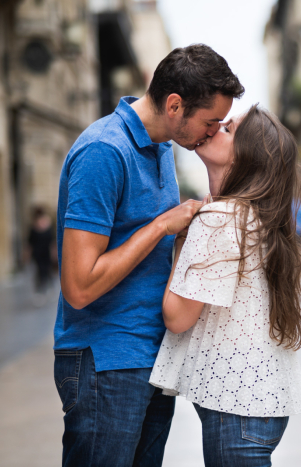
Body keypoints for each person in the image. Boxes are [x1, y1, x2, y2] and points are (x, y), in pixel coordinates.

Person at [53, 44, 244, 467]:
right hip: (107, 361)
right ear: (175, 105)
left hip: (152, 359)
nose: (212, 132)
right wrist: (160, 225)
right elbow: (78, 287)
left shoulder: (160, 148)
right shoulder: (103, 151)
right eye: (209, 122)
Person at [149, 106, 301, 466]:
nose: (217, 127)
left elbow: (177, 317)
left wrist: (177, 244)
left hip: (235, 406)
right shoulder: (257, 217)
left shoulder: (220, 218)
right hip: (260, 404)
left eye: (229, 129)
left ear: (246, 156)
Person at [28, 206, 55, 294]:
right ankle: (42, 287)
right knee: (41, 269)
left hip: (43, 252)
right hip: (40, 252)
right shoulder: (35, 227)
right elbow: (30, 242)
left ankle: (45, 286)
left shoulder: (43, 225)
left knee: (45, 269)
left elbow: (30, 242)